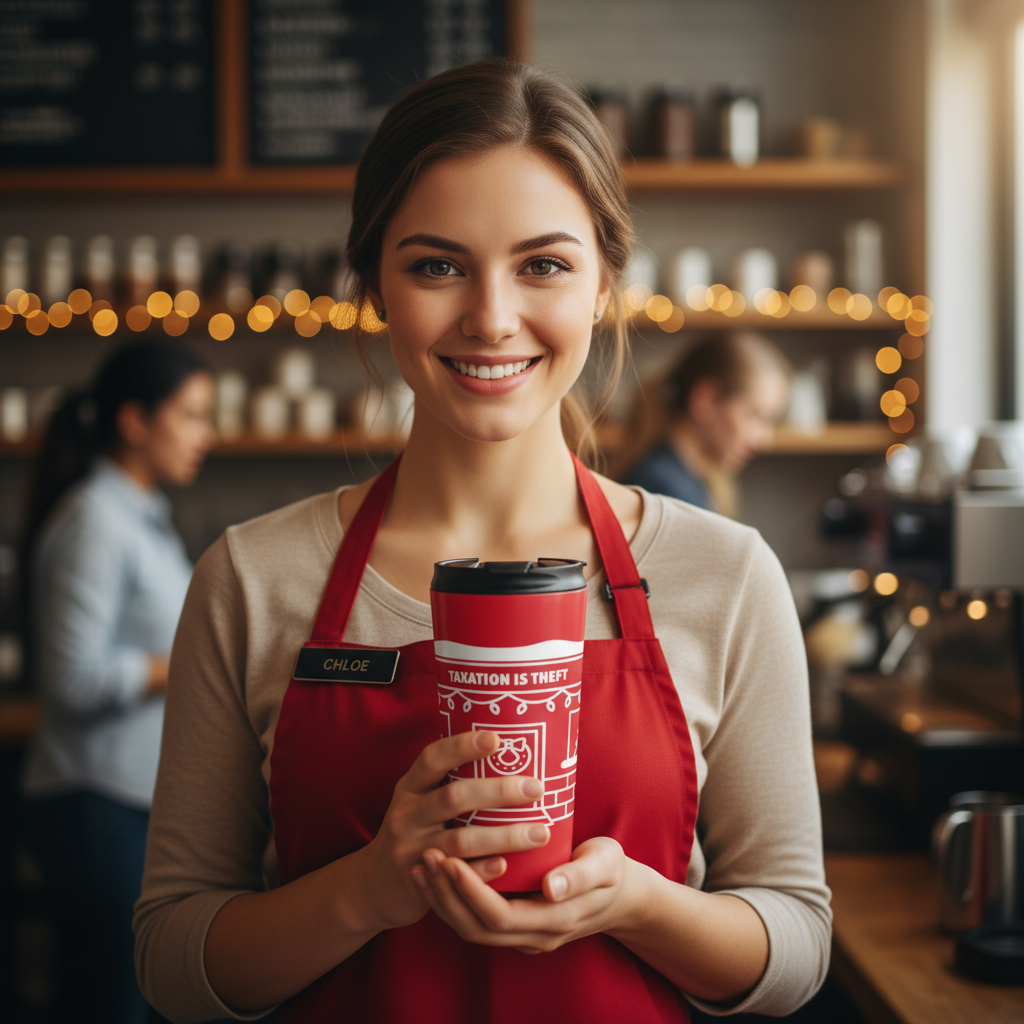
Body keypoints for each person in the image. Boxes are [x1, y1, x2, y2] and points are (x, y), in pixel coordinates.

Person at [135, 59, 830, 1024]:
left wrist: (637, 906)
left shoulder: (725, 574)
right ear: (376, 283)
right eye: (437, 265)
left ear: (602, 285)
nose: (492, 318)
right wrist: (363, 893)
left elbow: (796, 944)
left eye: (543, 264)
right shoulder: (252, 579)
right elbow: (172, 960)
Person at [21, 342, 214, 1024]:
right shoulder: (97, 523)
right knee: (118, 1004)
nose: (206, 436)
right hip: (93, 800)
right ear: (135, 422)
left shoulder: (141, 518)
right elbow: (71, 678)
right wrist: (194, 661)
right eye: (190, 416)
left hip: (125, 799)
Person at [618, 333, 790, 516]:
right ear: (705, 400)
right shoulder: (664, 492)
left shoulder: (688, 480)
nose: (764, 440)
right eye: (755, 416)